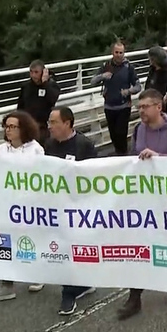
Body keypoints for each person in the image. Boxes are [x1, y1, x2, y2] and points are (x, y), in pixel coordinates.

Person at [116, 89, 167, 320]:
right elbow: (132, 159)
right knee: (138, 244)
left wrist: (159, 158)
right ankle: (134, 296)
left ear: (159, 107)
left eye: (146, 106)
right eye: (139, 107)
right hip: (143, 198)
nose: (141, 111)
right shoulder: (138, 130)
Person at [0, 111, 46, 303]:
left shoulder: (35, 149)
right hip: (6, 204)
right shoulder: (1, 150)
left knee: (30, 239)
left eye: (13, 126)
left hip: (29, 204)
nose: (9, 130)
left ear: (23, 129)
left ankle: (37, 274)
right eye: (7, 126)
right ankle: (6, 285)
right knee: (5, 242)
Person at [44, 106, 99, 315]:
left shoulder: (84, 145)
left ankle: (69, 294)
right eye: (49, 122)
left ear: (67, 123)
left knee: (72, 248)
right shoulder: (49, 144)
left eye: (54, 122)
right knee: (63, 248)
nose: (50, 127)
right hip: (56, 207)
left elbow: (95, 175)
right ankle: (81, 284)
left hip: (78, 209)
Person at [91, 42, 142, 155]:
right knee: (113, 134)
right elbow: (92, 81)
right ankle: (118, 154)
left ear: (124, 53)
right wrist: (102, 76)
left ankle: (123, 155)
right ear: (112, 53)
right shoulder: (106, 66)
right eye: (116, 52)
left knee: (121, 133)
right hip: (109, 106)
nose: (119, 55)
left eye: (121, 53)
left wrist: (128, 91)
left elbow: (138, 86)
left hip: (124, 106)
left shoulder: (128, 67)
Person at [17, 60, 60, 141]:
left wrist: (44, 84)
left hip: (43, 127)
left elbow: (52, 99)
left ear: (43, 72)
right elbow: (20, 106)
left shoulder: (52, 86)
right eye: (31, 72)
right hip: (28, 125)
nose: (33, 75)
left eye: (36, 72)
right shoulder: (26, 87)